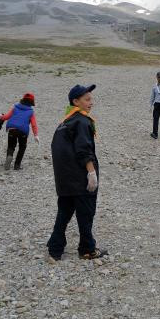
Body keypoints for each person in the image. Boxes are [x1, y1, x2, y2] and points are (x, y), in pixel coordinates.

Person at [47, 84, 107, 261]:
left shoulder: (65, 122)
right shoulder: (82, 121)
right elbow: (83, 149)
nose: (91, 102)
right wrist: (91, 173)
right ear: (75, 101)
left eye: (91, 99)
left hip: (65, 180)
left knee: (64, 213)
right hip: (80, 179)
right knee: (86, 213)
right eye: (87, 99)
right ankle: (87, 249)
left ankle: (55, 249)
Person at [0, 93, 40, 170]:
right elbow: (34, 125)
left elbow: (6, 117)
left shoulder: (15, 107)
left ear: (22, 100)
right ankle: (17, 165)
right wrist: (36, 135)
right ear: (32, 102)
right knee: (22, 147)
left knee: (11, 146)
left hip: (12, 129)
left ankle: (9, 156)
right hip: (23, 131)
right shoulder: (31, 112)